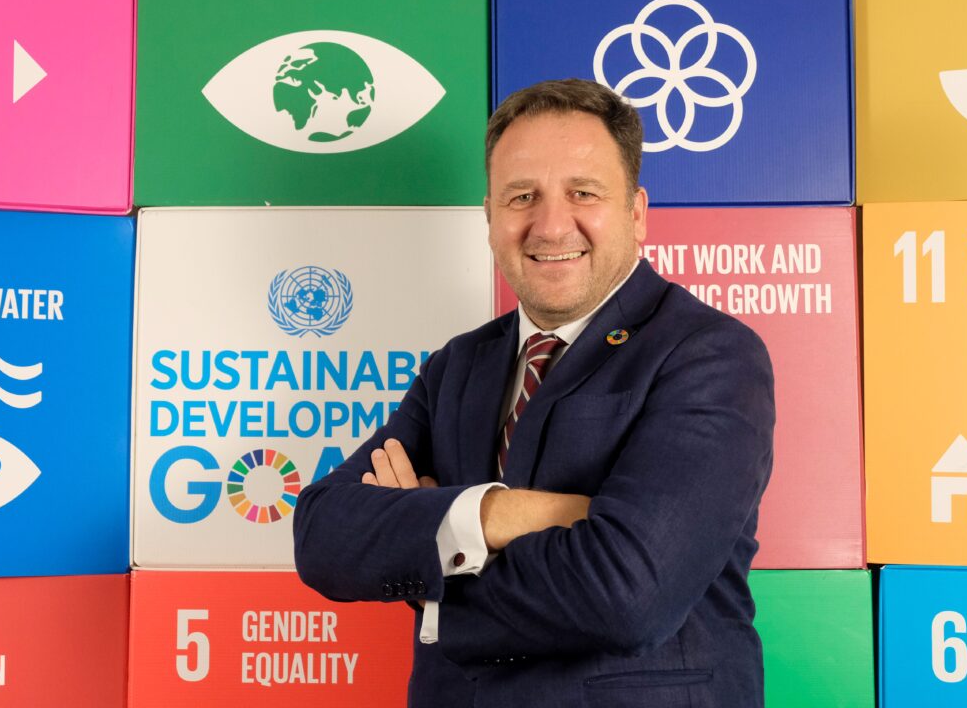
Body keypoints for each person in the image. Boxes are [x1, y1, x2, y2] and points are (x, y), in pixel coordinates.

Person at [293, 79, 775, 708]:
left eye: (583, 193)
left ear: (636, 213)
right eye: (522, 197)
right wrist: (498, 514)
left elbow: (629, 594)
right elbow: (323, 536)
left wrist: (432, 562)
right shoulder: (457, 365)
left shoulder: (709, 354)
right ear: (490, 218)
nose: (550, 226)